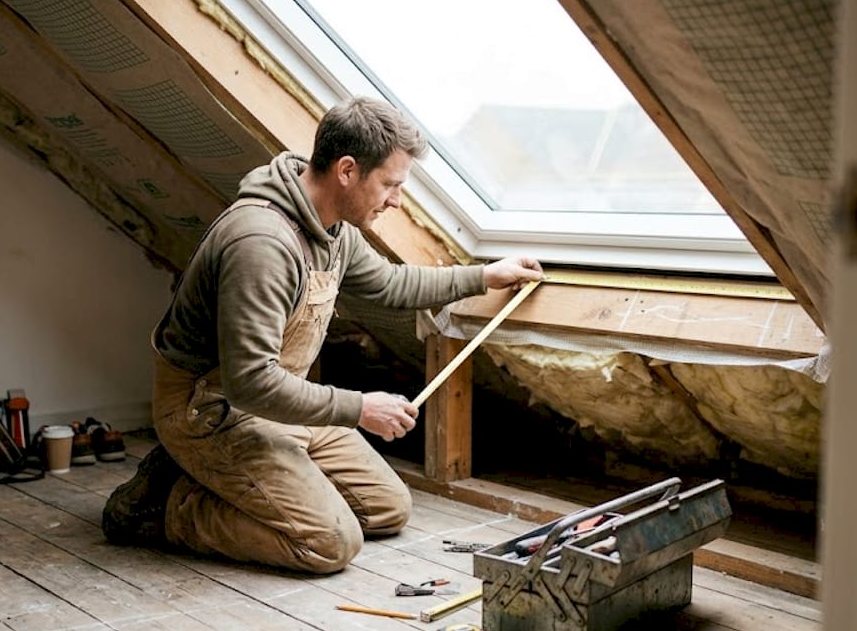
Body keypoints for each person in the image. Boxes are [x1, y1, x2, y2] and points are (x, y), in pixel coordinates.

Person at [112, 96, 542, 574]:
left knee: (386, 508)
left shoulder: (332, 227)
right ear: (347, 170)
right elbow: (249, 382)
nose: (396, 201)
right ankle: (167, 505)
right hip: (213, 410)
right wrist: (360, 409)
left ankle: (242, 479)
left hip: (285, 404)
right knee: (328, 544)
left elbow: (389, 283)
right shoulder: (262, 245)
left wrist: (485, 276)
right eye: (390, 185)